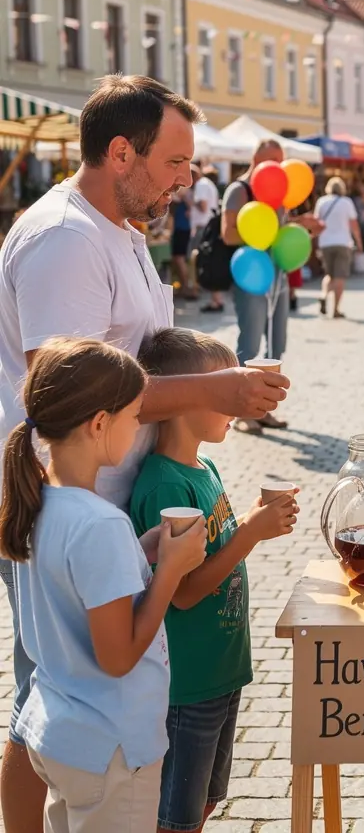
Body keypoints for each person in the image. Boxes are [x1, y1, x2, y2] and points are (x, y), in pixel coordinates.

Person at [0, 75, 288, 833]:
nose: (188, 179)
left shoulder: (119, 228)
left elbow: (135, 366)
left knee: (64, 693)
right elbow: (66, 394)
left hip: (111, 496)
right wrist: (216, 390)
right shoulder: (65, 240)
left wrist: (208, 386)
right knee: (52, 700)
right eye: (175, 162)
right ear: (120, 152)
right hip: (71, 500)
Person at [0, 337, 208, 833]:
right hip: (111, 746)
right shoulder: (99, 524)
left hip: (59, 735)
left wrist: (142, 550)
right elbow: (118, 657)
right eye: (134, 415)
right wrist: (170, 573)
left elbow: (76, 588)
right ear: (99, 423)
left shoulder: (39, 502)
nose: (139, 428)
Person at [129, 328, 298, 833]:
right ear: (182, 398)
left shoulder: (202, 467)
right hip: (186, 683)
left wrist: (250, 521)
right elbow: (182, 592)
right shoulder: (165, 482)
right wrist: (249, 533)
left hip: (219, 672)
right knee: (175, 817)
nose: (237, 399)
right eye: (224, 387)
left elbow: (214, 552)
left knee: (205, 800)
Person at [221, 140, 321, 434]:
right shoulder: (239, 190)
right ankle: (241, 413)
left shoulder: (280, 191)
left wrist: (301, 225)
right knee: (250, 345)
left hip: (278, 277)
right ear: (255, 159)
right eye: (271, 160)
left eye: (280, 160)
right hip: (252, 275)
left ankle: (262, 409)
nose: (277, 167)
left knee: (276, 346)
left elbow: (280, 230)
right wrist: (264, 234)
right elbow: (227, 234)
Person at [314, 177, 363, 318]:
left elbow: (317, 223)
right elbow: (354, 225)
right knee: (340, 277)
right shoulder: (346, 203)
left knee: (329, 275)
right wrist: (359, 242)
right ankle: (335, 309)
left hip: (325, 242)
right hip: (343, 242)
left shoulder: (321, 202)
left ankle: (323, 294)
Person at [190, 165, 224, 314]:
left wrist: (189, 201)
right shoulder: (208, 184)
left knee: (202, 261)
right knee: (210, 262)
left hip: (203, 227)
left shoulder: (201, 185)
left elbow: (202, 207)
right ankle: (216, 299)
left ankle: (210, 298)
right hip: (209, 227)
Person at [169, 187, 196, 299]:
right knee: (178, 258)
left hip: (183, 229)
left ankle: (186, 287)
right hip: (179, 229)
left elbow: (192, 208)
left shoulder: (187, 196)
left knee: (180, 258)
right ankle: (183, 286)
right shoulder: (179, 198)